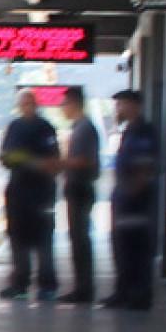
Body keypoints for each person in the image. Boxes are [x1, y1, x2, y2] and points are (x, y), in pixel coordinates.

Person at [0, 90, 60, 300]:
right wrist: (30, 160)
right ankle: (19, 283)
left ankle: (47, 285)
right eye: (23, 103)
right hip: (17, 192)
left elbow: (52, 161)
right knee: (18, 240)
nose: (26, 106)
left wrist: (23, 159)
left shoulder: (46, 128)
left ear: (36, 104)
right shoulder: (14, 127)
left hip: (42, 193)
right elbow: (5, 157)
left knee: (44, 240)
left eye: (29, 102)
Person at [103, 88, 159, 309]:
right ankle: (124, 291)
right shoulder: (130, 131)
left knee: (136, 248)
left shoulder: (144, 132)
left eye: (121, 104)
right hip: (126, 198)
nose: (118, 109)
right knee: (122, 247)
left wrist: (131, 195)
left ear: (134, 105)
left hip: (136, 201)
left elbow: (144, 168)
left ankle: (138, 295)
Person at [55, 91, 100, 305]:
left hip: (80, 190)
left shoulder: (84, 128)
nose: (62, 108)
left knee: (80, 241)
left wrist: (60, 163)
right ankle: (81, 287)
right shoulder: (79, 128)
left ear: (73, 103)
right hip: (78, 190)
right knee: (78, 240)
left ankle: (83, 290)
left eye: (63, 104)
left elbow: (84, 161)